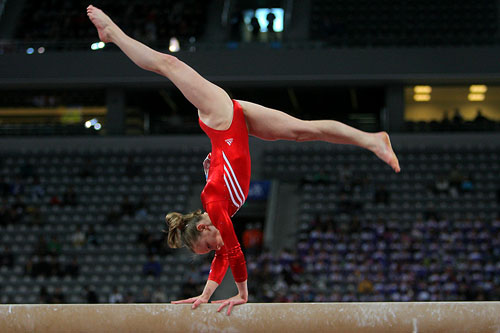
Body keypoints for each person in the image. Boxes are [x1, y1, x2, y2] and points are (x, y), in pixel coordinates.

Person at [87, 5, 400, 315]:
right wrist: (206, 295)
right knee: (304, 131)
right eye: (209, 250)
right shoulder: (217, 211)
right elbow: (224, 254)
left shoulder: (214, 205)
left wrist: (242, 293)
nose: (215, 249)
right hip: (236, 122)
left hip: (220, 119)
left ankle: (112, 32)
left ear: (203, 226)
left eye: (208, 245)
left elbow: (233, 253)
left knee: (167, 64)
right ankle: (372, 139)